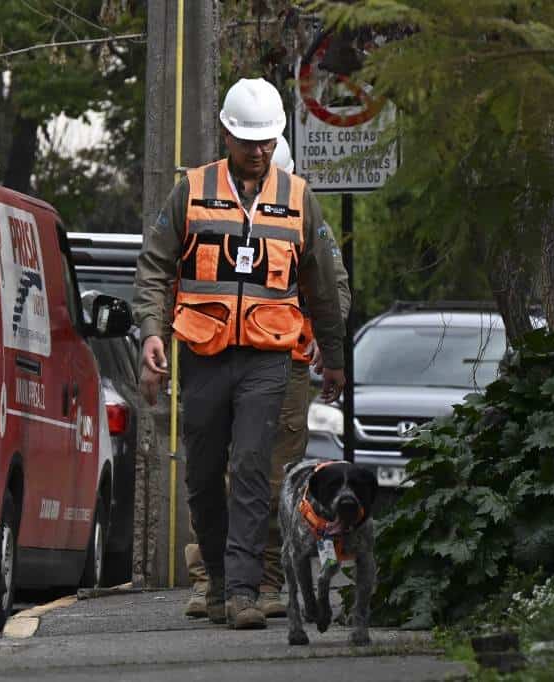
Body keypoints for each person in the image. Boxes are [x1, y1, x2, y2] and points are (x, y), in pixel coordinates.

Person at [133, 78, 347, 630]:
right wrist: (152, 333)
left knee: (253, 470)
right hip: (204, 353)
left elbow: (325, 285)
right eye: (249, 140)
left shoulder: (299, 197)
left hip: (269, 356)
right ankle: (220, 584)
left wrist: (336, 356)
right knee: (204, 476)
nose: (258, 151)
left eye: (268, 141)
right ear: (226, 133)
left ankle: (247, 592)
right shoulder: (191, 190)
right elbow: (156, 267)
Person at [182, 135, 351, 619]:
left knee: (268, 476)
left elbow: (331, 284)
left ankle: (265, 580)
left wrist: (323, 335)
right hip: (221, 355)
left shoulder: (298, 207)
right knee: (211, 471)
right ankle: (209, 578)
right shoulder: (209, 202)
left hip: (288, 365)